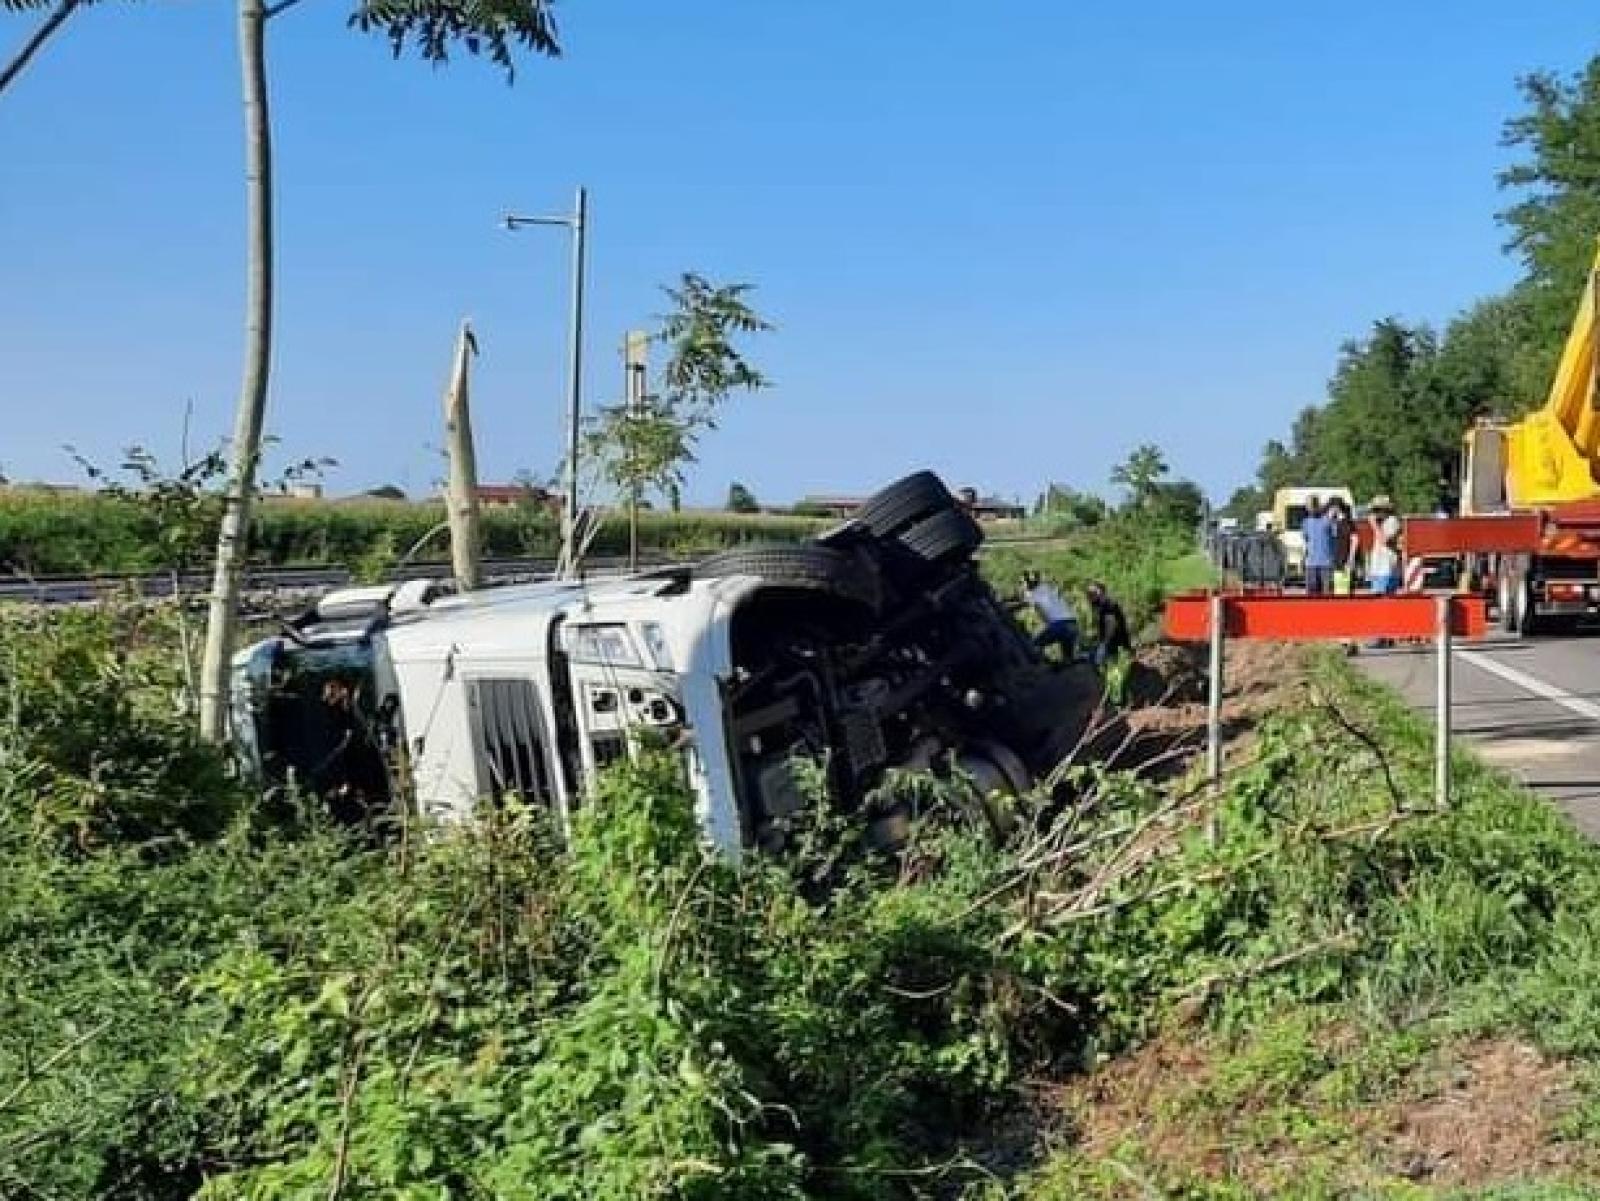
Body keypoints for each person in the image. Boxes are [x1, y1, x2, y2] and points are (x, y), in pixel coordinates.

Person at [1021, 569, 1078, 662]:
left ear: (1028, 585)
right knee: (1068, 658)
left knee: (1033, 645)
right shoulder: (1049, 588)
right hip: (1072, 624)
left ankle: (1040, 666)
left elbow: (1025, 605)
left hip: (1059, 625)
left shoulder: (1032, 594)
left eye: (1023, 584)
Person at [1085, 581, 1132, 668]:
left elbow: (1111, 624)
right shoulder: (1097, 604)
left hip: (1115, 641)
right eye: (1088, 594)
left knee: (1106, 664)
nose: (1089, 596)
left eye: (1093, 593)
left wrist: (1105, 643)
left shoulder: (1107, 604)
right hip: (1109, 641)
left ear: (1101, 592)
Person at [1366, 495, 1403, 595]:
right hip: (1378, 569)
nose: (1374, 513)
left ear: (1385, 510)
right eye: (1373, 510)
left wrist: (1374, 525)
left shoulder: (1392, 521)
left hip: (1387, 568)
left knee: (1384, 597)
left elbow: (1384, 540)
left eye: (1376, 510)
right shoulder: (1381, 523)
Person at [1300, 494, 1336, 595]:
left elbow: (1335, 539)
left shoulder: (1328, 520)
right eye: (1308, 506)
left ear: (1318, 506)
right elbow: (1306, 543)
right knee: (1311, 596)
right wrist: (1303, 558)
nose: (1310, 509)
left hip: (1326, 564)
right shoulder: (1305, 522)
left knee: (1327, 595)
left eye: (1312, 506)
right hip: (1310, 565)